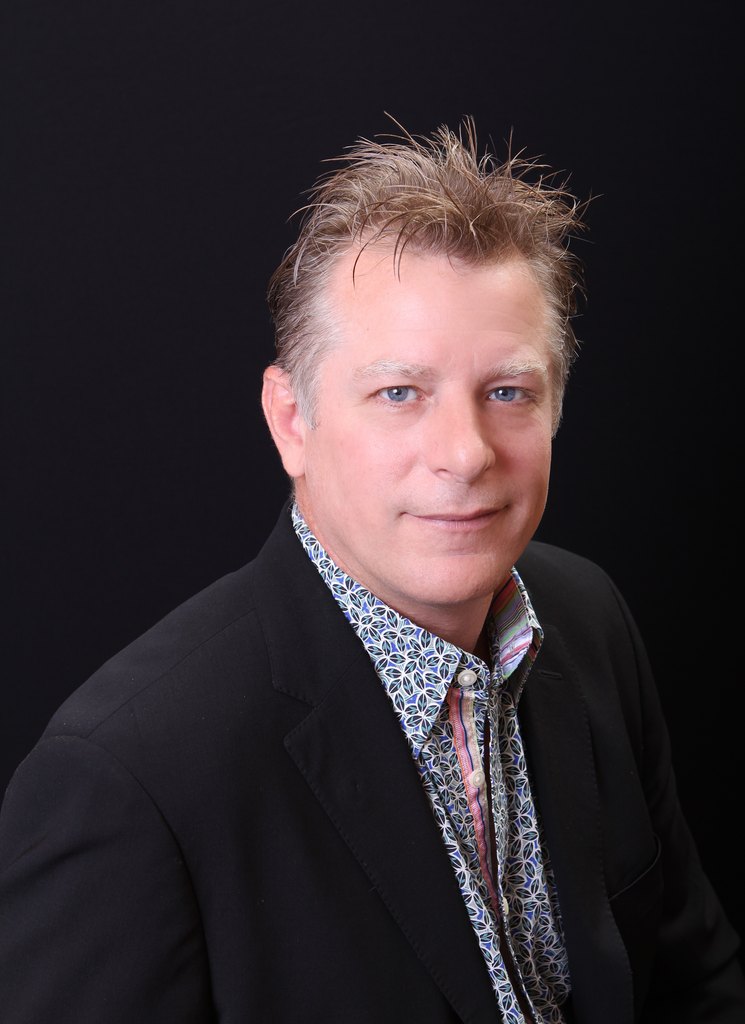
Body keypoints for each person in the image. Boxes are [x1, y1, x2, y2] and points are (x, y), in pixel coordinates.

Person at [0, 120, 743, 1024]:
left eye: (507, 392)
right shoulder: (129, 781)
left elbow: (693, 981)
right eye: (399, 393)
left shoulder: (589, 618)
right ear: (291, 422)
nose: (465, 454)